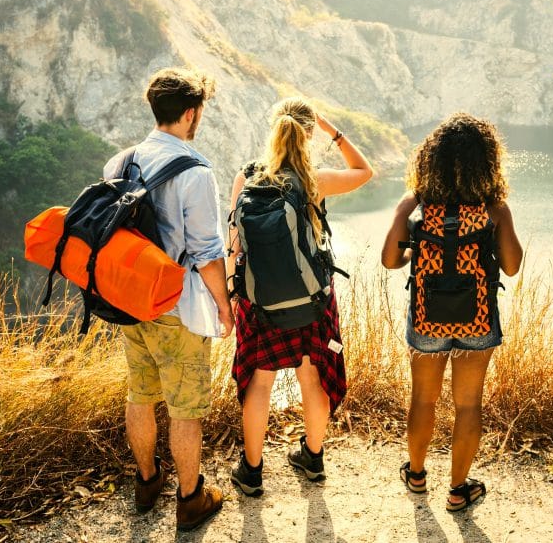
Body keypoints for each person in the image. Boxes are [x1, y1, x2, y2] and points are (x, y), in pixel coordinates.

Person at [102, 67, 234, 532]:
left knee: (140, 393)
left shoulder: (119, 163)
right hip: (177, 307)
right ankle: (190, 498)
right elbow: (207, 252)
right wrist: (223, 305)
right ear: (192, 113)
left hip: (129, 302)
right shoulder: (195, 172)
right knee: (185, 408)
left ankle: (146, 481)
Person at [227, 97, 372, 497]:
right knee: (312, 376)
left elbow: (234, 247)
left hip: (259, 305)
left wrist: (230, 300)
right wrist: (333, 130)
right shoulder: (312, 180)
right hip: (313, 301)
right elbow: (365, 170)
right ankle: (312, 457)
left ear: (273, 129)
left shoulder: (246, 178)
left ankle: (252, 473)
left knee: (260, 382)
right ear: (307, 134)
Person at [381, 113, 523, 512]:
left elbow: (390, 260)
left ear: (431, 160)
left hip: (427, 315)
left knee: (423, 399)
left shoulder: (416, 204)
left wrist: (420, 249)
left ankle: (417, 474)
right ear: (487, 162)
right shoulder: (494, 209)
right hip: (477, 318)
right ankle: (459, 488)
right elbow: (511, 266)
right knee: (467, 404)